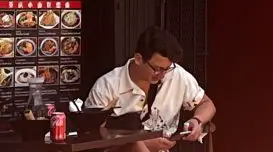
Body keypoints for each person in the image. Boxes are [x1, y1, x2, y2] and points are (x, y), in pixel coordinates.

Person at [85, 26, 215, 151]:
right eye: (157, 69)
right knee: (134, 143)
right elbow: (90, 136)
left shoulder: (176, 75)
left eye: (167, 68)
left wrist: (197, 120)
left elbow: (207, 104)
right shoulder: (107, 85)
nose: (163, 74)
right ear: (138, 59)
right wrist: (143, 143)